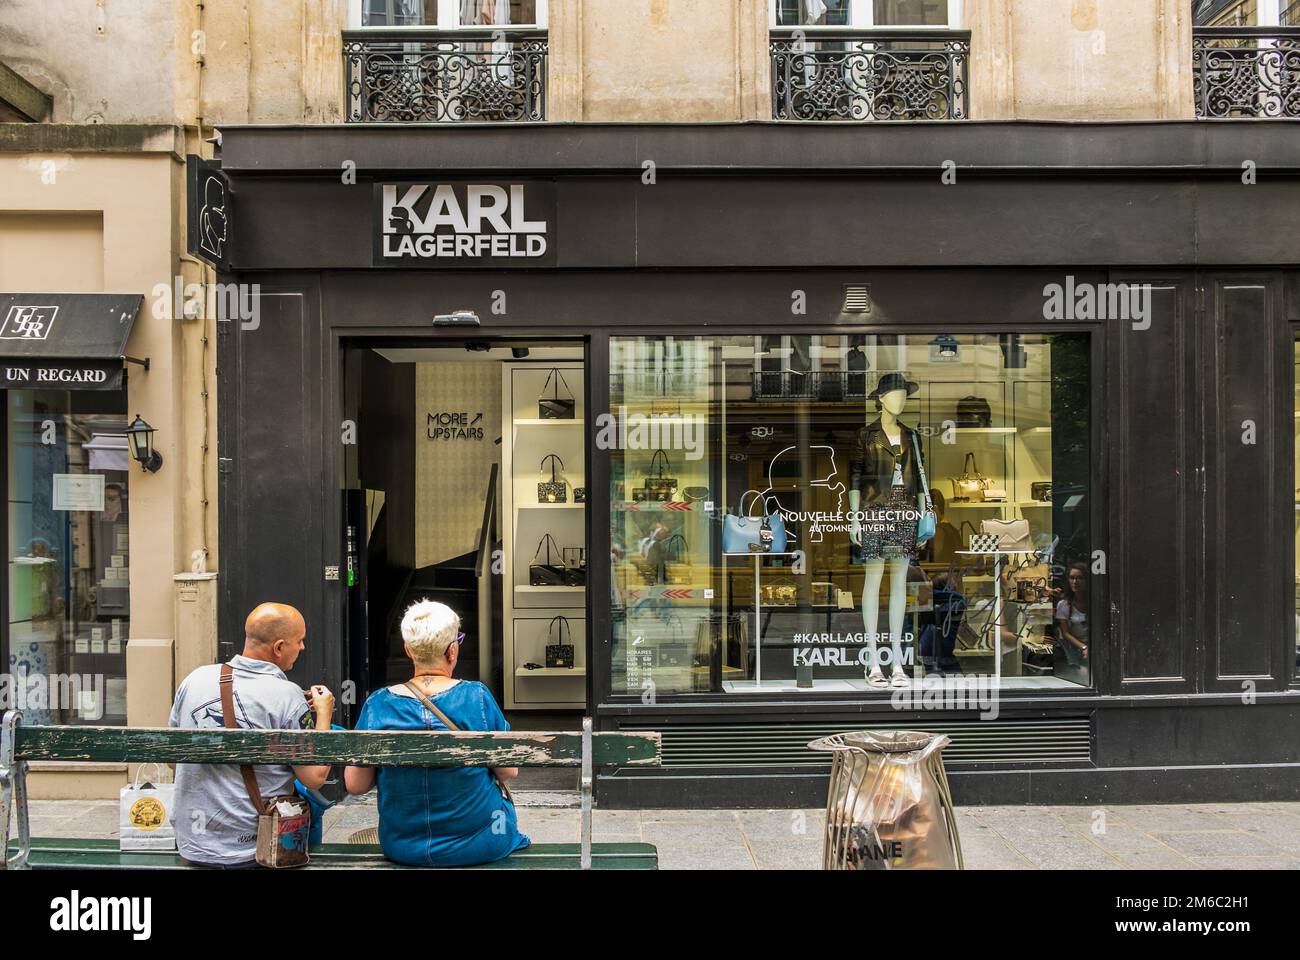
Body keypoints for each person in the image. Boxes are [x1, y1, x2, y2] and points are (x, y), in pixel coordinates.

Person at [345, 599, 530, 867]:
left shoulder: (377, 704)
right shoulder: (476, 697)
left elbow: (356, 785)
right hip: (480, 844)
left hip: (402, 845)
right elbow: (509, 771)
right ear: (452, 651)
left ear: (408, 650)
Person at [168, 602, 335, 867]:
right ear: (279, 648)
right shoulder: (287, 696)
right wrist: (325, 714)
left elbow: (172, 759)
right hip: (255, 847)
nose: (302, 648)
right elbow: (314, 778)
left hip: (193, 842)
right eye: (299, 641)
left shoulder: (194, 680)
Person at [1054, 562, 1089, 667]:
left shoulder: (1093, 603)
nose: (1075, 582)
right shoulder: (1064, 605)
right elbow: (1065, 633)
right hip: (1074, 647)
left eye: (1079, 578)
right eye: (1072, 578)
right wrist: (1083, 647)